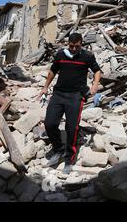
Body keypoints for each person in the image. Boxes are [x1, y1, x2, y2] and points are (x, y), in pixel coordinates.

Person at [37, 33, 101, 172]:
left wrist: (95, 86)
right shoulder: (60, 55)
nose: (73, 49)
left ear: (81, 44)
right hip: (58, 94)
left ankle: (69, 159)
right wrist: (45, 87)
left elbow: (97, 71)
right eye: (71, 46)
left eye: (76, 46)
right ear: (68, 44)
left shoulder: (87, 56)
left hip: (76, 96)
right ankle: (58, 149)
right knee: (50, 123)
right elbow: (53, 71)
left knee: (72, 128)